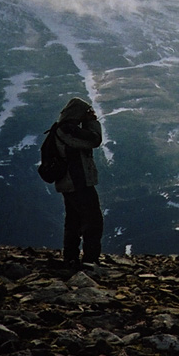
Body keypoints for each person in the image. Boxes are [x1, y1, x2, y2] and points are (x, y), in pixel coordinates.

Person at [53, 97, 104, 269]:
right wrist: (92, 122)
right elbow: (94, 140)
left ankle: (71, 257)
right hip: (77, 182)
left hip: (70, 182)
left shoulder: (63, 129)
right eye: (87, 112)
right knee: (93, 219)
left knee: (74, 220)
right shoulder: (68, 130)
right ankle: (90, 258)